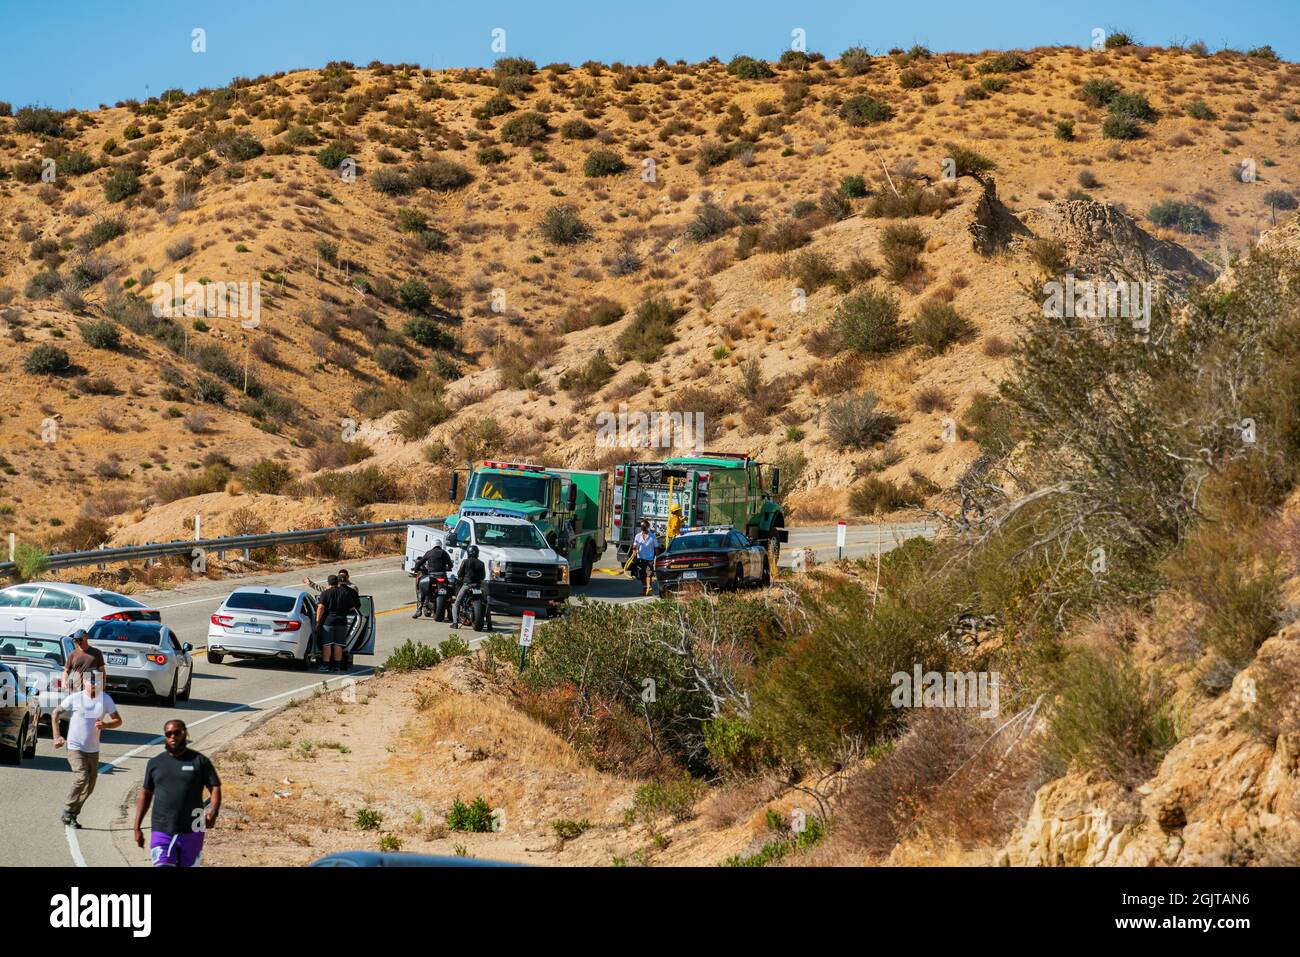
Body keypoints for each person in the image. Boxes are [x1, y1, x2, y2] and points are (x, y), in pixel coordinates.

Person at [133, 719, 221, 868]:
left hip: (194, 826)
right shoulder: (155, 763)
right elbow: (145, 794)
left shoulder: (200, 761)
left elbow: (215, 787)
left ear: (185, 733)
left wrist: (214, 811)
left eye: (177, 733)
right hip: (162, 827)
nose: (172, 736)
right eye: (168, 734)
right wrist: (137, 827)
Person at [53, 671, 121, 828]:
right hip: (75, 746)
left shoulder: (105, 699)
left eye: (98, 681)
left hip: (93, 749)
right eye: (91, 681)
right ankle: (68, 807)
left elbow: (118, 720)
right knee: (82, 777)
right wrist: (57, 736)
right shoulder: (76, 698)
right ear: (84, 682)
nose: (95, 684)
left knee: (90, 785)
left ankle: (72, 815)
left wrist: (106, 725)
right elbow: (56, 713)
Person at [314, 574, 359, 672]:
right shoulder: (344, 593)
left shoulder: (325, 593)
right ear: (337, 582)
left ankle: (326, 665)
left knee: (327, 644)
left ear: (328, 583)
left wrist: (317, 621)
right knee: (338, 645)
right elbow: (352, 608)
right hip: (342, 622)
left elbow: (321, 607)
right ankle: (337, 666)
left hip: (328, 622)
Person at [411, 542, 453, 618]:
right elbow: (451, 564)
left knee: (422, 589)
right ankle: (450, 613)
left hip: (432, 576)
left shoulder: (429, 553)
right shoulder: (444, 553)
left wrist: (416, 569)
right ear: (440, 545)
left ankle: (419, 610)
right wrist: (448, 567)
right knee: (448, 593)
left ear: (432, 545)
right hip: (443, 576)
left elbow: (420, 562)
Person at [449, 544, 486, 630]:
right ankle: (489, 623)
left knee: (457, 603)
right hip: (477, 586)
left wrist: (461, 577)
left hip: (467, 585)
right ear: (477, 553)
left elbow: (459, 574)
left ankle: (455, 623)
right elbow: (483, 576)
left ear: (468, 552)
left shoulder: (465, 561)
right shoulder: (481, 563)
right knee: (484, 602)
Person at [61, 628, 105, 694]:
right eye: (75, 640)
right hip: (76, 690)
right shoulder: (73, 654)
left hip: (91, 690)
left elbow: (102, 671)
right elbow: (66, 671)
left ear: (86, 637)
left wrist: (103, 685)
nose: (78, 642)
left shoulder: (97, 653)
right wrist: (63, 681)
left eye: (80, 640)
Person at [632, 521, 658, 596]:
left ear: (648, 527)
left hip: (649, 558)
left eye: (644, 526)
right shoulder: (637, 536)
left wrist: (657, 557)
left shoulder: (652, 536)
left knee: (649, 574)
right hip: (640, 558)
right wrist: (634, 552)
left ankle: (649, 588)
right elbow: (634, 546)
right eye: (642, 526)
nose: (643, 527)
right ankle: (644, 588)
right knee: (642, 575)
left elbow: (656, 548)